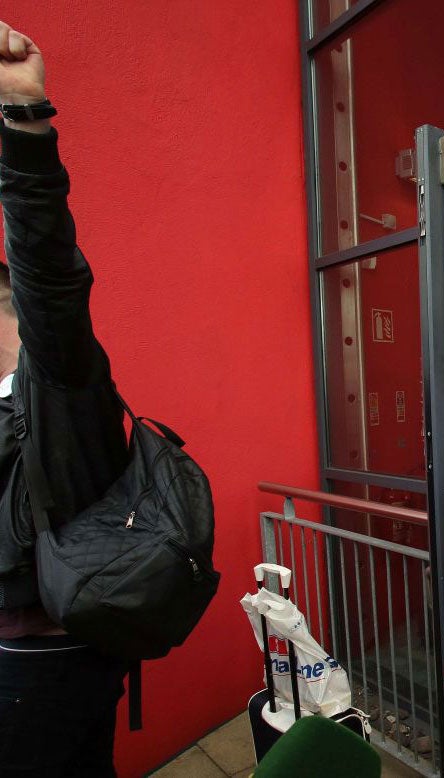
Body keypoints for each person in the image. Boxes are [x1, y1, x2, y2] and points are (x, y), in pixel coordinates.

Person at [0, 22, 131, 776]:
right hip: (58, 659)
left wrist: (23, 118)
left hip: (41, 663)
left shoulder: (57, 382)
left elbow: (47, 270)